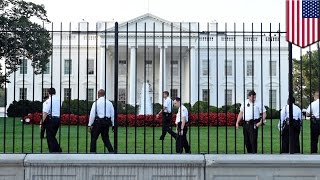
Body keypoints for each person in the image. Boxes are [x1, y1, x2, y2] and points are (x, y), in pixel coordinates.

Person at [88, 89, 114, 153]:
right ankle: (111, 151)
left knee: (94, 137)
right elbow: (112, 114)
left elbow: (92, 114)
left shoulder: (96, 103)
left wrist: (90, 124)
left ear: (98, 94)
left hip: (98, 122)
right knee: (105, 138)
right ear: (104, 94)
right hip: (106, 121)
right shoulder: (109, 103)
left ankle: (92, 152)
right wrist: (113, 124)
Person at [40, 88, 62, 153]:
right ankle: (53, 150)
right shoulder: (59, 100)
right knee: (52, 136)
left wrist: (41, 122)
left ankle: (57, 150)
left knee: (49, 136)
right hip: (57, 119)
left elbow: (45, 112)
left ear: (48, 93)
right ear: (55, 92)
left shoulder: (49, 101)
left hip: (51, 119)